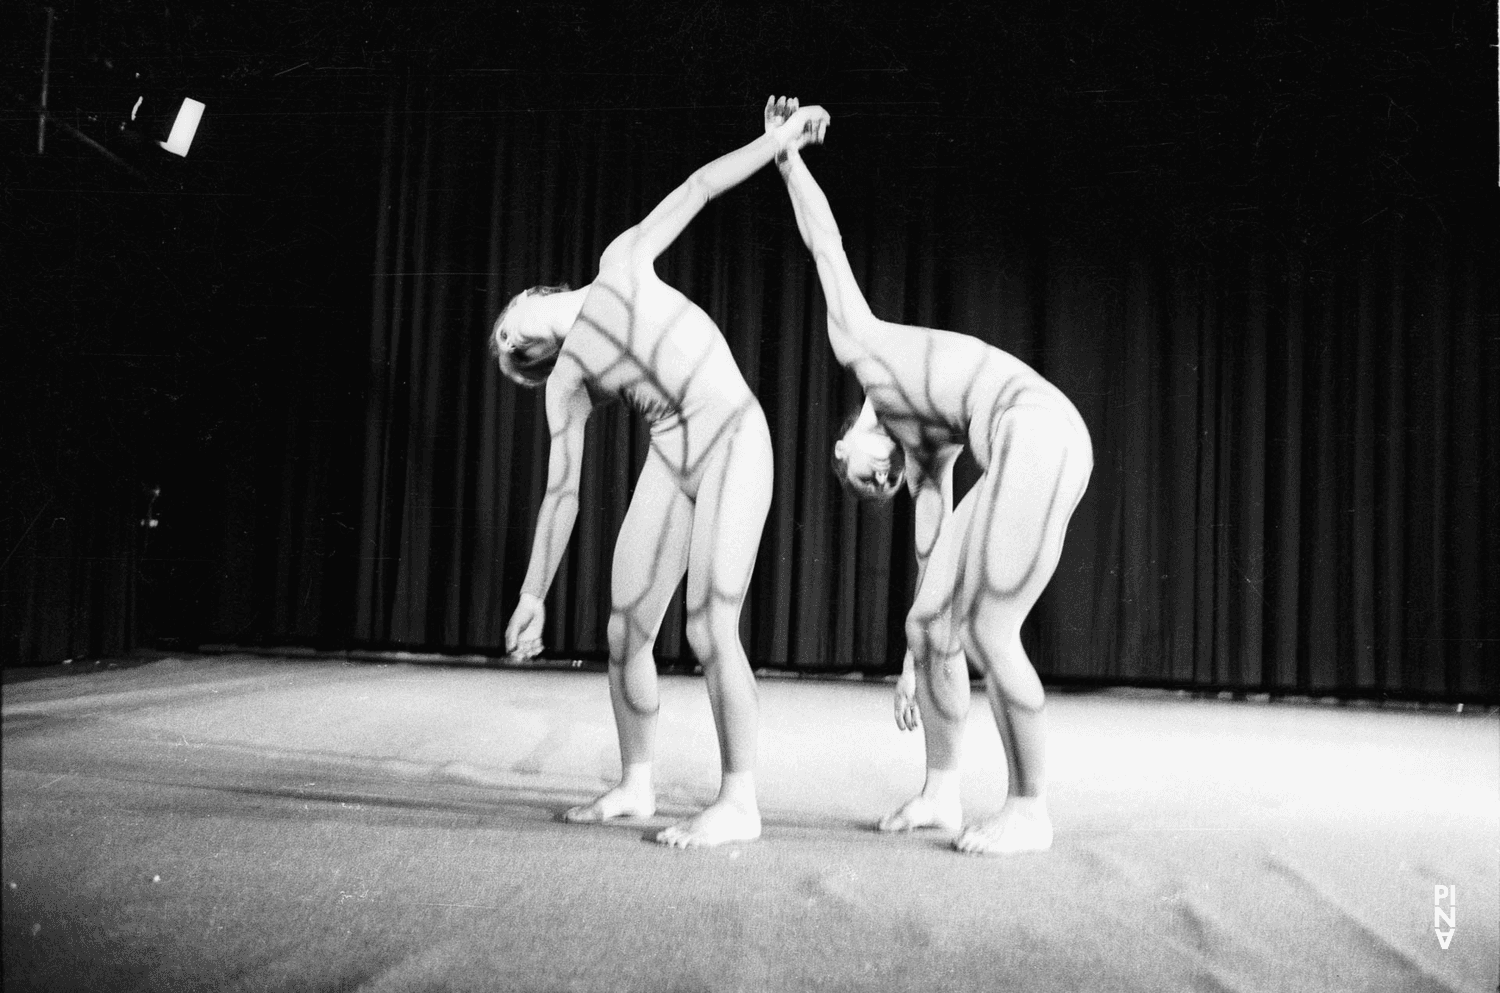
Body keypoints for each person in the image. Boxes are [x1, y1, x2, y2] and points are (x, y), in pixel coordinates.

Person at [493, 100, 831, 848]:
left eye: (508, 330)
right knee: (625, 628)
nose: (513, 346)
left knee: (711, 625)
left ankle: (739, 800)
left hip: (734, 432)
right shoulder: (565, 383)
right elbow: (562, 493)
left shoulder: (620, 260)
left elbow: (701, 187)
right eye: (512, 355)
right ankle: (636, 782)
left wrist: (774, 140)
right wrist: (532, 595)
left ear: (533, 296)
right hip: (672, 453)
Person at [766, 97, 1093, 854]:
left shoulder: (867, 351)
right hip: (1030, 442)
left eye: (862, 472)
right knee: (933, 625)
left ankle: (1029, 807)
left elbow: (826, 245)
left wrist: (785, 156)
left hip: (1036, 430)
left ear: (855, 427)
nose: (875, 481)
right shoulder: (928, 453)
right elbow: (929, 576)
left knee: (989, 626)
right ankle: (942, 789)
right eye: (871, 488)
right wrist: (913, 668)